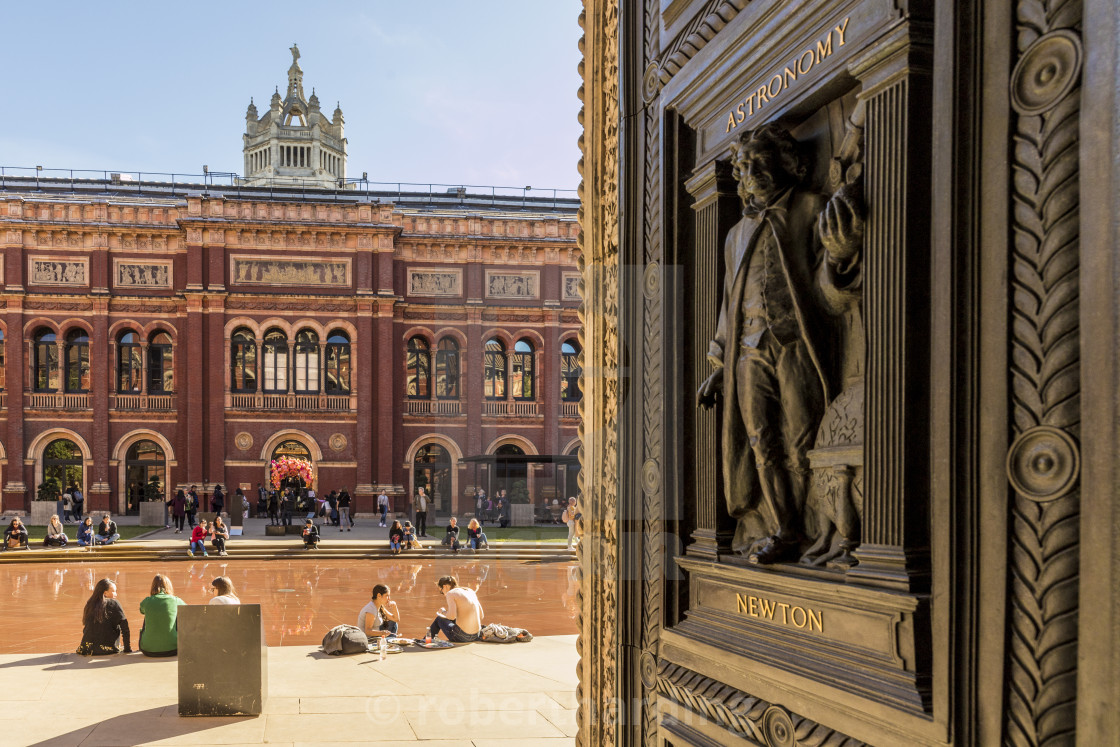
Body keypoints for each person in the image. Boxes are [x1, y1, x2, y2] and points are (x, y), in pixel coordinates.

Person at [696, 123, 862, 564]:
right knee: (760, 441)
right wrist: (718, 364)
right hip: (748, 352)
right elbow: (729, 302)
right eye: (744, 167)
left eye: (760, 162)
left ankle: (813, 522)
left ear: (786, 162)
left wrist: (842, 254)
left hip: (795, 344)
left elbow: (830, 286)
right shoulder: (736, 235)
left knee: (803, 437)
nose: (751, 173)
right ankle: (784, 528)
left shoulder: (811, 208)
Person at [77, 578, 131, 656]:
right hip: (108, 649)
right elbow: (125, 629)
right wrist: (127, 649)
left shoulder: (89, 603)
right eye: (114, 591)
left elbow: (86, 626)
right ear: (105, 593)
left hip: (87, 649)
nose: (116, 594)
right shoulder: (114, 603)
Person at [425, 575, 484, 643]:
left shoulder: (450, 594)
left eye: (441, 591)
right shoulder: (470, 591)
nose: (443, 594)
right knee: (454, 619)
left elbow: (451, 616)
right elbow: (481, 615)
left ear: (445, 586)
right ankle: (426, 639)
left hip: (462, 637)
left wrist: (443, 612)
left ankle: (426, 640)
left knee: (439, 619)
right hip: (476, 635)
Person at [138, 574, 186, 657]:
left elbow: (141, 610)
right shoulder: (175, 600)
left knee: (148, 615)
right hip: (173, 649)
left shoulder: (147, 601)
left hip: (148, 650)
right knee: (178, 614)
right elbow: (189, 611)